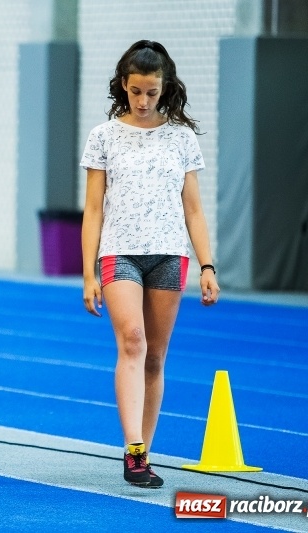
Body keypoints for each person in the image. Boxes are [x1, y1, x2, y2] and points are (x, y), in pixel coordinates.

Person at [80, 40, 220, 488]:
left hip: (169, 255)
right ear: (124, 85)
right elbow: (94, 210)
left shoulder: (180, 138)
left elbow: (194, 209)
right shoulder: (103, 136)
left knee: (155, 358)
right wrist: (88, 273)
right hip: (119, 252)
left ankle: (144, 450)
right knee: (133, 341)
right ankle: (134, 451)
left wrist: (207, 265)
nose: (143, 101)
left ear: (165, 89)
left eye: (152, 93)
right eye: (136, 91)